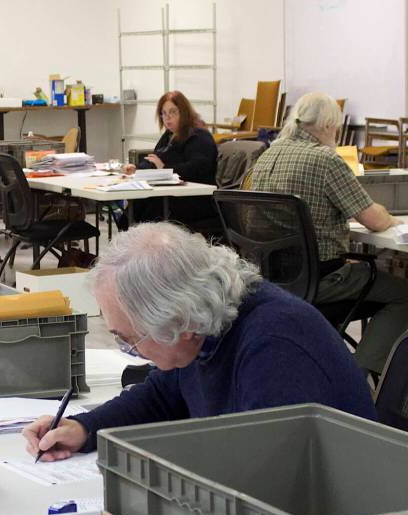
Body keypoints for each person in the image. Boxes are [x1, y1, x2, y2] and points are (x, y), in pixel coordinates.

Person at [23, 222, 376, 460]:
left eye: (131, 340)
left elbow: (268, 469)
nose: (131, 351)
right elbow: (162, 396)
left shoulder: (277, 348)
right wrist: (85, 428)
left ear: (182, 323)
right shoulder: (206, 324)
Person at [249, 92, 408, 376]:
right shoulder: (325, 159)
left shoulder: (267, 155)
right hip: (323, 279)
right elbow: (373, 219)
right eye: (335, 127)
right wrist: (390, 217)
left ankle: (327, 364)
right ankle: (356, 374)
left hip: (276, 278)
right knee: (403, 294)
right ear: (325, 125)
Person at [121, 91, 218, 228]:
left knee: (149, 208)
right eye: (164, 113)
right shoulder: (169, 135)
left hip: (194, 199)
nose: (167, 118)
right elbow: (155, 159)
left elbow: (197, 169)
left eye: (173, 112)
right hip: (171, 195)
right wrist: (137, 169)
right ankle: (127, 241)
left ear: (183, 112)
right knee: (135, 206)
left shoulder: (199, 136)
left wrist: (165, 168)